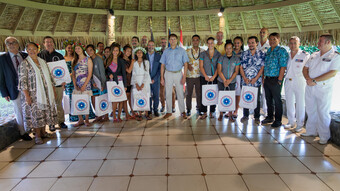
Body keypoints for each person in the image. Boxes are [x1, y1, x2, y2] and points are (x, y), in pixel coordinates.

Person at [302, 34, 340, 145]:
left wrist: (315, 80)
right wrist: (308, 79)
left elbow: (332, 73)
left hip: (323, 88)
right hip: (310, 86)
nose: (318, 43)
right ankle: (311, 131)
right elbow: (305, 68)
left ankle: (324, 136)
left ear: (328, 42)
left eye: (320, 41)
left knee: (323, 112)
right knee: (310, 109)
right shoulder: (314, 55)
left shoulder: (335, 56)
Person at [18, 42, 57, 144]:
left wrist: (53, 90)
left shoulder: (42, 62)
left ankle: (44, 132)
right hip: (33, 95)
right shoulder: (24, 64)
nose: (32, 51)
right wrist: (27, 96)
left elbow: (49, 76)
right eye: (29, 49)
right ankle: (38, 135)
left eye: (34, 49)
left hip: (46, 93)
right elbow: (23, 81)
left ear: (38, 50)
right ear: (27, 51)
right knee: (36, 114)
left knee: (44, 113)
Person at [0, 37, 31, 141]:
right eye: (8, 43)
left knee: (30, 109)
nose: (11, 45)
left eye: (13, 43)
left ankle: (32, 128)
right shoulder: (2, 58)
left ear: (18, 44)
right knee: (19, 111)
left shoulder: (25, 55)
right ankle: (23, 132)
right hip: (13, 89)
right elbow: (1, 77)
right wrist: (4, 93)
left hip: (29, 88)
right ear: (6, 45)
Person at [38, 36, 67, 131]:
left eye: (50, 42)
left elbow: (64, 70)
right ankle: (51, 123)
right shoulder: (39, 56)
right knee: (49, 104)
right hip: (46, 85)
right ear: (44, 44)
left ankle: (61, 121)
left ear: (53, 43)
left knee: (59, 103)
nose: (49, 43)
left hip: (58, 84)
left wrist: (64, 82)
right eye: (47, 42)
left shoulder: (59, 56)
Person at [261, 32, 289, 128]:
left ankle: (278, 120)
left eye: (274, 39)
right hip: (267, 79)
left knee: (277, 100)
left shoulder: (281, 51)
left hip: (276, 79)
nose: (272, 41)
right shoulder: (268, 51)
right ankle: (269, 117)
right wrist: (264, 78)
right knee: (268, 99)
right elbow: (265, 66)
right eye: (271, 39)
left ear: (279, 40)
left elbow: (283, 66)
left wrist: (280, 80)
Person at [284, 36, 310, 132]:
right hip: (288, 80)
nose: (293, 45)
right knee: (289, 102)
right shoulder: (286, 55)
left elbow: (308, 69)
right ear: (288, 44)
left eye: (295, 43)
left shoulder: (305, 55)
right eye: (291, 43)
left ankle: (300, 124)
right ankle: (291, 121)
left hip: (300, 81)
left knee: (300, 103)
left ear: (299, 44)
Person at [160, 33, 189, 119]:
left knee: (180, 93)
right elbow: (162, 65)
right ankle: (169, 111)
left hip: (178, 73)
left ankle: (182, 111)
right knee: (168, 93)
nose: (172, 41)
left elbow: (186, 64)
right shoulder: (166, 51)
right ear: (169, 41)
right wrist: (162, 77)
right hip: (168, 73)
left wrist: (184, 77)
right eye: (171, 39)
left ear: (177, 40)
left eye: (174, 39)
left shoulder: (182, 50)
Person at [239, 36, 265, 124]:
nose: (251, 44)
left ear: (257, 43)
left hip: (256, 81)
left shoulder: (261, 54)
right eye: (249, 43)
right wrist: (244, 78)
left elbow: (262, 68)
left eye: (253, 42)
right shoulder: (244, 54)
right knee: (245, 97)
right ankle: (245, 115)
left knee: (256, 99)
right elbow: (241, 67)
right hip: (245, 80)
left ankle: (256, 116)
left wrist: (256, 78)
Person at [217, 40, 240, 121]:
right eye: (227, 48)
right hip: (221, 81)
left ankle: (230, 114)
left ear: (232, 49)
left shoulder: (236, 59)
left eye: (230, 48)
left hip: (232, 82)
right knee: (221, 97)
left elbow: (236, 71)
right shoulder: (221, 58)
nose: (228, 50)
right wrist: (224, 80)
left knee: (231, 98)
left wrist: (229, 80)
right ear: (225, 49)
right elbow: (219, 70)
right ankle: (220, 114)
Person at [71, 43, 93, 127]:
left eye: (78, 48)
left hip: (85, 83)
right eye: (75, 49)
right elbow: (73, 74)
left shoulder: (88, 59)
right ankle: (80, 119)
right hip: (77, 84)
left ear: (82, 49)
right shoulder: (74, 60)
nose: (77, 50)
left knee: (86, 100)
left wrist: (84, 85)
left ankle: (87, 119)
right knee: (77, 100)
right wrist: (75, 84)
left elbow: (90, 73)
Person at [199, 37, 221, 119]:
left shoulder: (218, 54)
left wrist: (214, 76)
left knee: (213, 94)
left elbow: (219, 67)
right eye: (209, 43)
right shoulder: (203, 54)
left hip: (214, 77)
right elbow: (201, 66)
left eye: (212, 43)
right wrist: (205, 76)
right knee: (204, 94)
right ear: (207, 44)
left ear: (214, 43)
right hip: (204, 77)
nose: (210, 44)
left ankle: (212, 111)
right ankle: (204, 111)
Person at [86, 44, 109, 122]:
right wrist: (92, 82)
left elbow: (102, 72)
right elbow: (90, 73)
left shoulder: (98, 59)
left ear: (94, 50)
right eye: (87, 51)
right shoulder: (89, 60)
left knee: (103, 99)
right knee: (94, 99)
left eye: (91, 50)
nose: (89, 52)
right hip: (94, 84)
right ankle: (98, 115)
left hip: (101, 83)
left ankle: (106, 116)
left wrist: (102, 84)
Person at [105, 43, 127, 122]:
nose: (115, 52)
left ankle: (119, 116)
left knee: (121, 100)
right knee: (114, 100)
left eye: (117, 50)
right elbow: (106, 70)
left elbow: (124, 73)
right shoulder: (108, 60)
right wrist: (109, 74)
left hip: (120, 81)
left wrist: (125, 85)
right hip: (112, 82)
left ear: (119, 51)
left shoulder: (121, 60)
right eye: (114, 50)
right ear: (111, 51)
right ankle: (114, 116)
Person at [130, 47, 152, 120]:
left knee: (145, 96)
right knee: (138, 96)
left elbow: (147, 73)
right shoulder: (134, 62)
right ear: (136, 53)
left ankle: (146, 113)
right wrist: (136, 84)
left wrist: (143, 84)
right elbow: (133, 74)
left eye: (141, 52)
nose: (139, 53)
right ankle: (139, 114)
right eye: (138, 52)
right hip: (136, 81)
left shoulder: (146, 62)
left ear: (143, 54)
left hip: (144, 81)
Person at [186, 34, 203, 116]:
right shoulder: (187, 51)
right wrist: (187, 65)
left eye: (197, 40)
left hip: (199, 76)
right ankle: (188, 109)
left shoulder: (203, 51)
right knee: (188, 93)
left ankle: (199, 108)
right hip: (189, 76)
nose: (195, 41)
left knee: (199, 93)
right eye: (194, 40)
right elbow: (183, 62)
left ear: (199, 41)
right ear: (192, 41)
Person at [63, 41, 79, 122]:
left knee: (78, 96)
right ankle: (73, 116)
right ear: (65, 48)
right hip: (68, 81)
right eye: (68, 48)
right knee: (70, 98)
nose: (70, 49)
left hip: (76, 79)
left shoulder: (76, 58)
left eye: (71, 48)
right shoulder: (63, 58)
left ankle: (82, 114)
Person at [146, 40, 162, 117]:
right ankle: (149, 110)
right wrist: (148, 79)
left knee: (156, 95)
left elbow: (160, 69)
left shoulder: (158, 56)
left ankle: (155, 109)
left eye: (152, 45)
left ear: (154, 46)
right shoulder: (144, 56)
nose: (151, 47)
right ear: (147, 46)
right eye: (149, 45)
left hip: (156, 79)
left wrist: (154, 79)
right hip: (146, 79)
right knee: (148, 95)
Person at [121, 44, 136, 119]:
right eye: (128, 51)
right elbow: (129, 71)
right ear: (124, 51)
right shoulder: (122, 60)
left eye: (130, 51)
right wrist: (132, 62)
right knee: (125, 98)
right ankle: (127, 113)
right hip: (125, 81)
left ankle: (132, 111)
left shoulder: (129, 60)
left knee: (130, 97)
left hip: (130, 81)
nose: (129, 53)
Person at [258, 28, 270, 116]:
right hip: (256, 71)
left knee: (266, 91)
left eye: (264, 33)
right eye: (261, 33)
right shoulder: (256, 44)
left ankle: (266, 110)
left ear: (267, 34)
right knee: (255, 90)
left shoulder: (270, 45)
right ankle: (254, 109)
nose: (262, 34)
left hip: (266, 71)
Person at [232, 36, 244, 119]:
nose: (236, 44)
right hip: (230, 76)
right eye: (235, 43)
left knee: (237, 94)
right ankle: (230, 110)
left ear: (241, 44)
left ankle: (236, 111)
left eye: (238, 43)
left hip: (239, 76)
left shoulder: (244, 53)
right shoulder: (230, 52)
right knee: (230, 93)